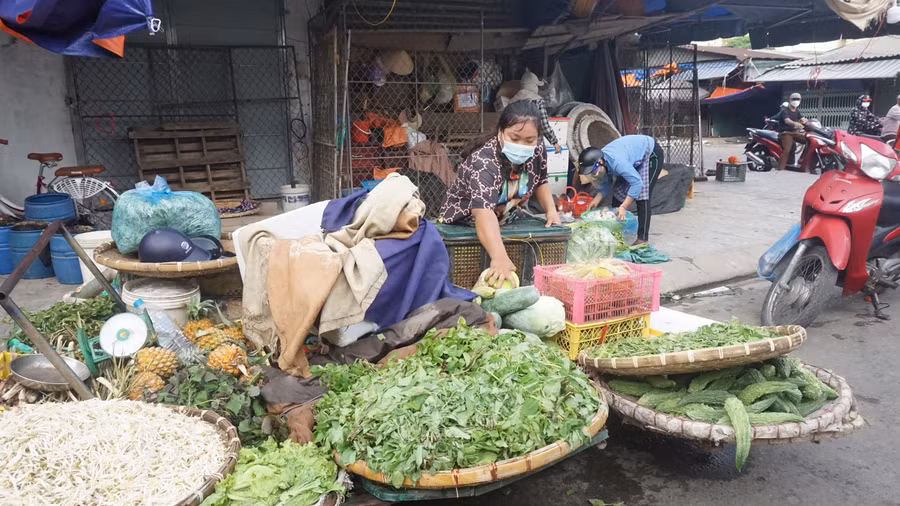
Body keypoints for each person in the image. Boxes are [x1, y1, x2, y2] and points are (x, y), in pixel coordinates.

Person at [438, 100, 561, 287]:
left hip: (506, 219)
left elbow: (541, 180)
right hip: (466, 225)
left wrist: (551, 211)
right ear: (501, 133)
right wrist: (500, 258)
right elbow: (483, 212)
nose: (523, 145)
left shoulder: (537, 149)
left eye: (529, 140)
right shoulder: (484, 161)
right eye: (515, 138)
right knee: (471, 278)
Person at [578, 134, 664, 245]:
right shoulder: (602, 160)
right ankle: (616, 232)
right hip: (631, 158)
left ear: (600, 162)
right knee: (618, 194)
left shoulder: (617, 162)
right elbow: (606, 182)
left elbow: (637, 183)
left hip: (650, 153)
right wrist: (596, 200)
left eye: (592, 171)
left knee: (643, 195)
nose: (593, 174)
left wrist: (623, 206)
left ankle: (642, 239)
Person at [510, 71, 562, 154]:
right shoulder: (538, 101)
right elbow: (544, 125)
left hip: (514, 144)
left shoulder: (512, 102)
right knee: (534, 166)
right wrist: (554, 142)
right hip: (532, 144)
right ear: (532, 86)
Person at [777, 93, 808, 171]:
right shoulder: (785, 111)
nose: (796, 101)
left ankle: (801, 161)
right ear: (790, 100)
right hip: (786, 133)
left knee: (808, 140)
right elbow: (787, 121)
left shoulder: (796, 110)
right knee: (787, 150)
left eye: (797, 99)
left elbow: (802, 117)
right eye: (794, 99)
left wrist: (806, 120)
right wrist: (795, 123)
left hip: (794, 133)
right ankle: (780, 168)